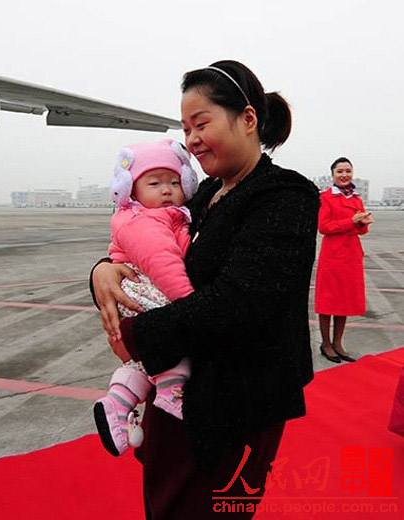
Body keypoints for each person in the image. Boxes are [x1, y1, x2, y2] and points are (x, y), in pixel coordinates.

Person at [90, 60, 319, 519]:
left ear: (248, 119)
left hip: (236, 403)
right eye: (185, 129)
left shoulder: (284, 197)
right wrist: (101, 271)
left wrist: (134, 337)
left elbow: (239, 303)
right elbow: (146, 244)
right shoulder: (201, 195)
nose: (191, 141)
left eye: (202, 124)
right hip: (176, 392)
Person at [93, 139, 199, 457]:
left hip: (139, 294)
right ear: (132, 190)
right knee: (173, 347)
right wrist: (188, 304)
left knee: (140, 364)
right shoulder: (144, 221)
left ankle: (115, 404)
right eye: (154, 183)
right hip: (150, 290)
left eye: (174, 182)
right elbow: (163, 264)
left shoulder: (162, 214)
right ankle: (170, 394)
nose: (166, 189)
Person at [314, 157, 373, 363]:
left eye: (348, 171)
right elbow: (324, 227)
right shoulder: (326, 197)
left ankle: (338, 342)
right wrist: (351, 221)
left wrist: (363, 223)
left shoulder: (355, 198)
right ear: (332, 175)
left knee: (344, 301)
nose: (344, 175)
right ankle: (326, 343)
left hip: (351, 255)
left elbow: (361, 231)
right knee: (328, 302)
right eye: (340, 171)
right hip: (333, 256)